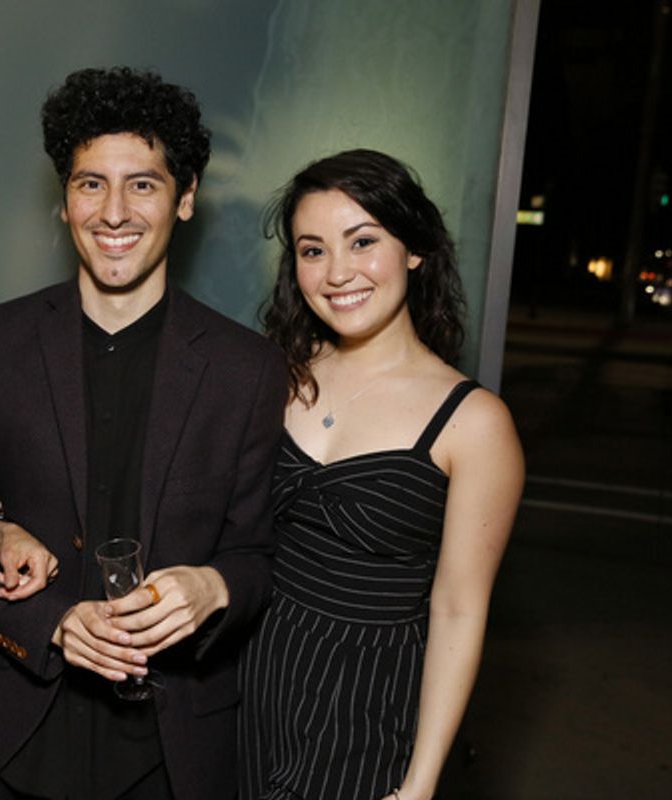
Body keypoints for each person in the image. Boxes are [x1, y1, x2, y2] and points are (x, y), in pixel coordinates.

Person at [0, 66, 287, 800]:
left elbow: (257, 554)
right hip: (12, 741)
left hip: (173, 753)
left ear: (185, 198)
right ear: (63, 203)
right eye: (90, 183)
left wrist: (213, 583)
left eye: (144, 184)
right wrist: (53, 622)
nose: (114, 211)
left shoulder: (245, 368)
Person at [237, 149, 524, 800]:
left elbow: (458, 609)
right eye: (312, 250)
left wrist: (421, 781)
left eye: (362, 241)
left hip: (366, 706)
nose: (337, 272)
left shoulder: (474, 423)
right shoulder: (273, 375)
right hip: (249, 679)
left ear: (414, 250)